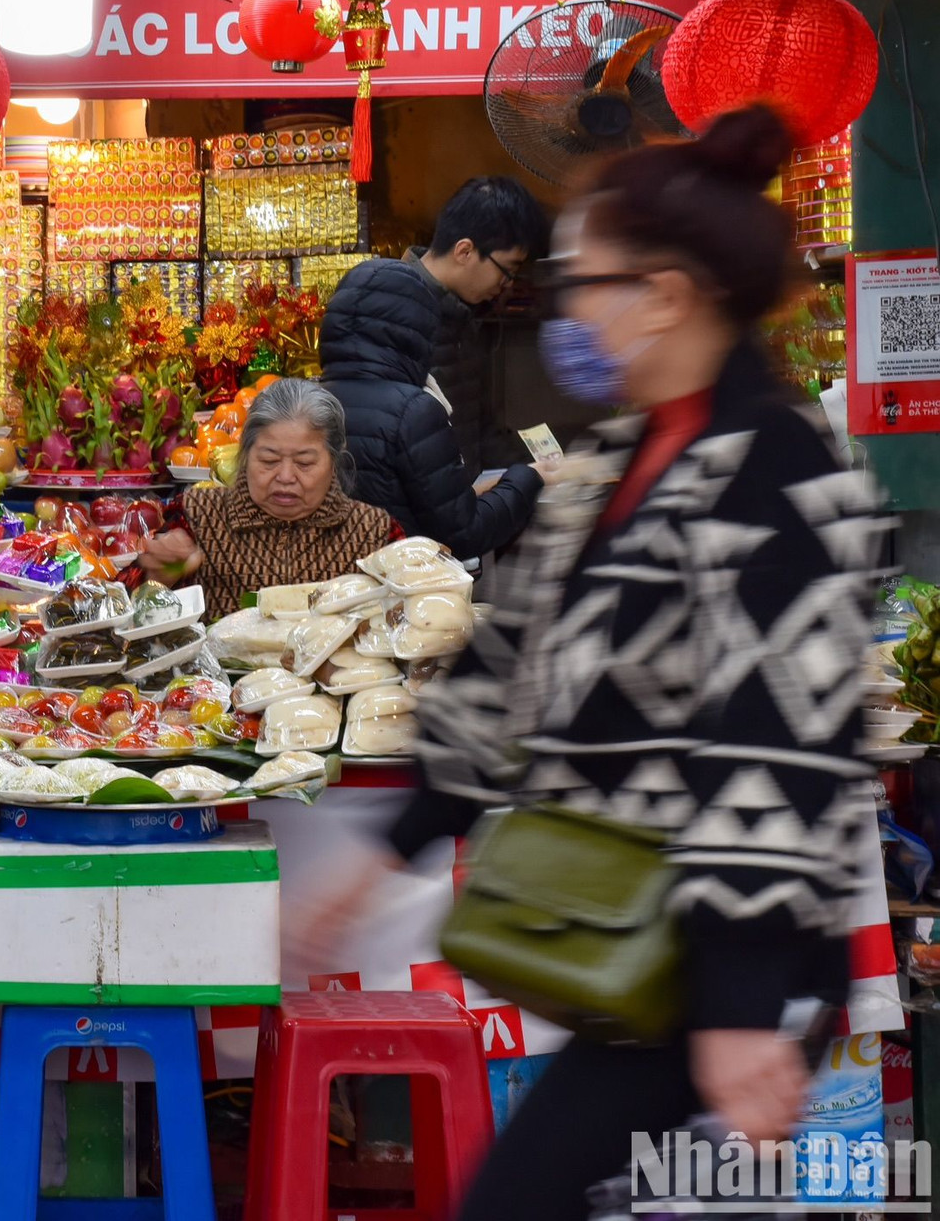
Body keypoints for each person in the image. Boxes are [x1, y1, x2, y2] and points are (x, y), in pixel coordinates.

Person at [297, 107, 890, 1221]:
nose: (564, 305)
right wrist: (387, 851)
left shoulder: (775, 467)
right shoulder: (618, 454)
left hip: (713, 952)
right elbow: (502, 668)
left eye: (585, 279)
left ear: (663, 295)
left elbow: (775, 745)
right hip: (622, 931)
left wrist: (734, 1005)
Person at [319, 176, 549, 560]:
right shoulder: (400, 320)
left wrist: (515, 469)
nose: (507, 284)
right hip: (426, 543)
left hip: (459, 511)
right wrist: (526, 479)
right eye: (506, 269)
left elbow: (476, 419)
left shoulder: (463, 313)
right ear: (464, 251)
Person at [139, 379, 397, 619]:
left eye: (304, 463)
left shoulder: (374, 533)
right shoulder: (197, 515)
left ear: (334, 464)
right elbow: (123, 614)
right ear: (245, 455)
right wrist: (158, 577)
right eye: (269, 460)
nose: (285, 476)